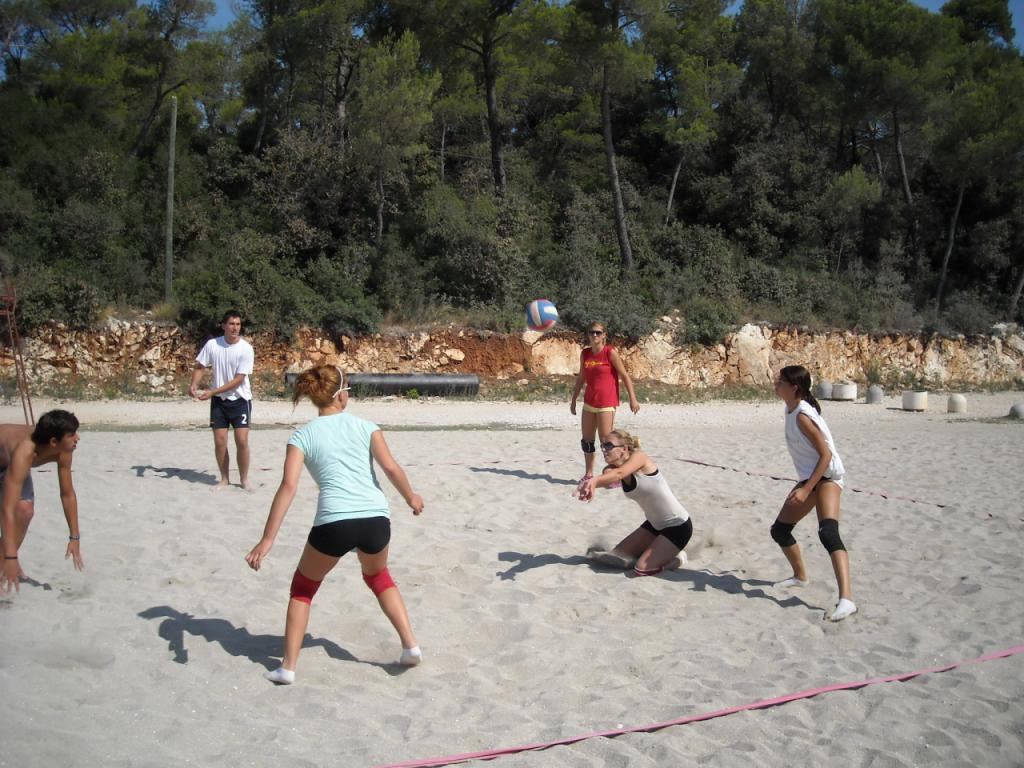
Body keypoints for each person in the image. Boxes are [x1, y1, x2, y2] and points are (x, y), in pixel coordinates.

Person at [245, 365, 424, 684]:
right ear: (341, 395)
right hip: (375, 519)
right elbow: (391, 468)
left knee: (303, 589)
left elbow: (288, 487)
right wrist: (411, 497)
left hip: (334, 522)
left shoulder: (302, 436)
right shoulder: (367, 426)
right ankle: (411, 646)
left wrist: (267, 539)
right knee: (379, 576)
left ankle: (288, 667)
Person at [770, 365, 856, 622]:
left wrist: (807, 489)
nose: (776, 384)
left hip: (827, 477)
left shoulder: (802, 416)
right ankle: (800, 577)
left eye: (781, 382)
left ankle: (847, 600)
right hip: (809, 478)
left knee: (828, 533)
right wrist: (806, 485)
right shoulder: (791, 409)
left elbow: (826, 455)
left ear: (794, 387)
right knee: (780, 531)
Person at [577, 428, 692, 577]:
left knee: (642, 569)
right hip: (653, 525)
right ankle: (658, 549)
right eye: (603, 445)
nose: (604, 449)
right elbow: (610, 476)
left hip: (678, 526)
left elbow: (619, 473)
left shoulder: (640, 457)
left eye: (609, 445)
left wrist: (594, 481)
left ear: (624, 449)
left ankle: (679, 558)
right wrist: (587, 487)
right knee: (616, 557)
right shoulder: (613, 469)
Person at [0, 410, 83, 594]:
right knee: (12, 513)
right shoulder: (25, 451)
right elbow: (7, 508)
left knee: (25, 511)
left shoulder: (64, 450)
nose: (77, 438)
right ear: (54, 442)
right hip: (9, 462)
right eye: (71, 435)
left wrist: (74, 537)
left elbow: (67, 494)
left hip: (10, 468)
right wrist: (12, 557)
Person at [569, 322, 639, 491]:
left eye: (598, 332)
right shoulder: (585, 354)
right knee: (587, 441)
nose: (594, 335)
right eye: (591, 332)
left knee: (608, 443)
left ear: (604, 335)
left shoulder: (610, 352)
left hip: (606, 403)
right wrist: (573, 399)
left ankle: (615, 475)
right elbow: (581, 378)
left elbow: (624, 375)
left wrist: (633, 398)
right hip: (589, 402)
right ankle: (588, 474)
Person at [189, 310, 255, 489]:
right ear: (224, 325)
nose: (235, 328)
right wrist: (194, 384)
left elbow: (239, 380)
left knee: (241, 440)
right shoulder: (212, 344)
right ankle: (224, 478)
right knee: (220, 442)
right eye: (231, 324)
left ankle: (244, 479)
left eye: (238, 324)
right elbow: (200, 366)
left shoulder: (246, 348)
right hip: (219, 401)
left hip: (240, 400)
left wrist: (212, 391)